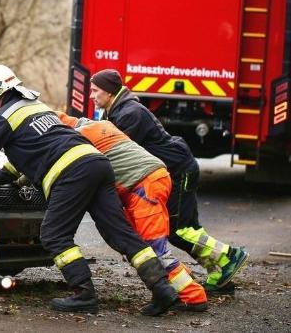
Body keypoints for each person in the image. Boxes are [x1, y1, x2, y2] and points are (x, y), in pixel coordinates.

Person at [0, 64, 177, 315]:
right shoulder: (36, 107)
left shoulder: (4, 117)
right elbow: (26, 156)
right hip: (97, 164)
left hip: (72, 172)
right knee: (120, 233)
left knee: (53, 234)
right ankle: (162, 289)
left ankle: (84, 294)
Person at [90, 69, 249, 293]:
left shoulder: (129, 114)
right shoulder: (117, 111)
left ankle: (229, 256)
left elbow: (117, 153)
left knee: (179, 229)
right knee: (186, 228)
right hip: (173, 168)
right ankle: (220, 268)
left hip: (178, 170)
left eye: (95, 90)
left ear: (108, 92)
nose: (91, 95)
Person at [56, 113, 208, 311]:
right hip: (152, 180)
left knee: (153, 250)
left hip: (143, 187)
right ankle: (177, 287)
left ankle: (193, 297)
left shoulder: (79, 137)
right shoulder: (100, 125)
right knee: (149, 246)